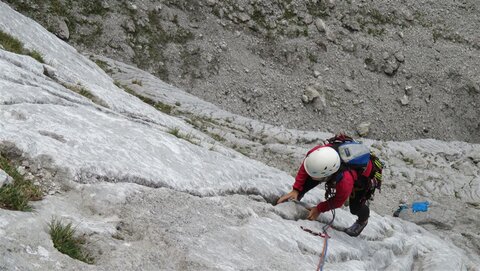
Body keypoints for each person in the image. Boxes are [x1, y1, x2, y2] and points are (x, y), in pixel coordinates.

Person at [277, 142, 374, 237]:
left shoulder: (345, 182)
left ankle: (363, 221)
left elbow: (338, 201)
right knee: (311, 177)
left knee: (356, 208)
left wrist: (319, 209)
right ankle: (296, 197)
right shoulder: (316, 154)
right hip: (337, 167)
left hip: (363, 177)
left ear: (329, 175)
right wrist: (296, 189)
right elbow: (306, 167)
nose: (311, 176)